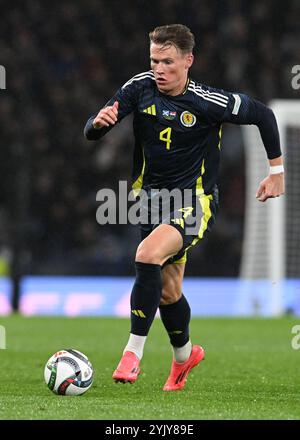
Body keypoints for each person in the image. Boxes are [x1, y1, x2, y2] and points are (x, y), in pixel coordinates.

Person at [84, 24, 284, 391]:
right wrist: (98, 126)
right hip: (148, 202)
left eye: (168, 62)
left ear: (188, 61)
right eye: (154, 60)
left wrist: (277, 171)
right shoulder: (138, 87)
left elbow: (263, 115)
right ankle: (184, 356)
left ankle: (132, 353)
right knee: (167, 290)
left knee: (146, 256)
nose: (159, 69)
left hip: (194, 201)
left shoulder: (208, 102)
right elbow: (93, 129)